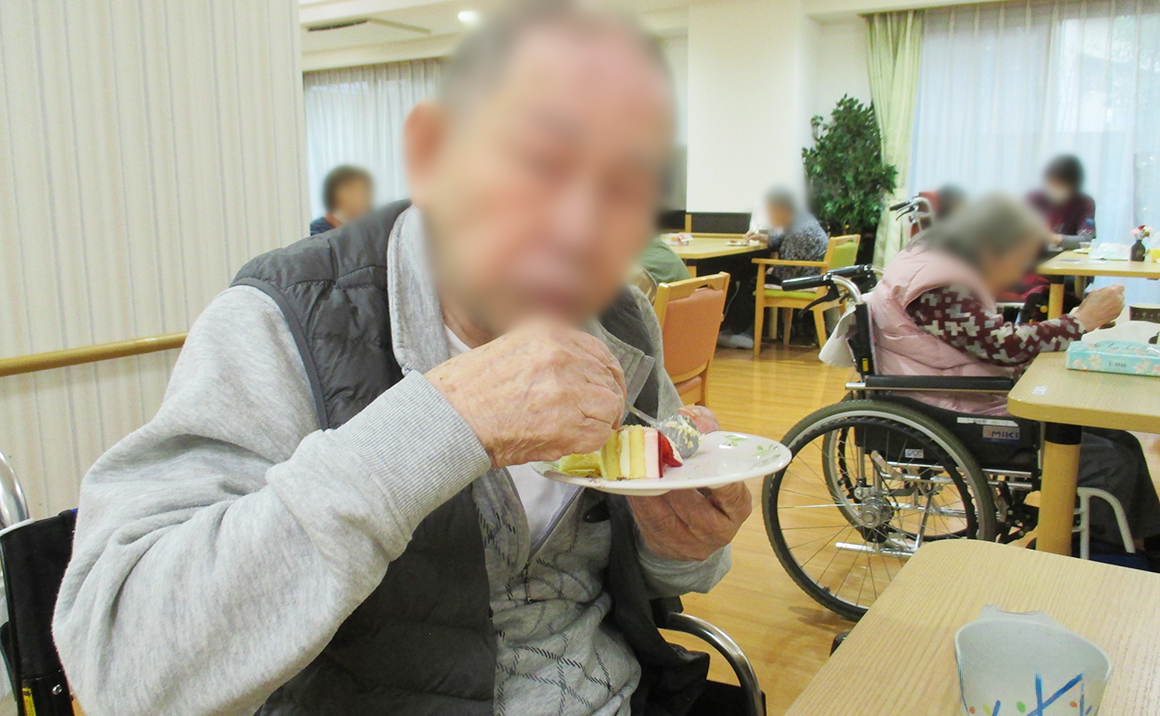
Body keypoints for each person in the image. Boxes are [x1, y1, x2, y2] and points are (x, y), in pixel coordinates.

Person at [53, 6, 752, 716]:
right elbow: (121, 667)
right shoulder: (280, 322)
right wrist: (443, 424)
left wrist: (681, 544)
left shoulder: (621, 322)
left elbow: (661, 574)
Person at [871, 194, 1160, 560]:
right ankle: (1100, 555)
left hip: (963, 390)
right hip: (955, 405)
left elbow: (985, 339)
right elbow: (1002, 346)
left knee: (1121, 439)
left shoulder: (935, 261)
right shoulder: (938, 284)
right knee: (1107, 461)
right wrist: (1081, 320)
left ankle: (1145, 544)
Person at [718, 188, 829, 349]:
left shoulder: (798, 231)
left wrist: (768, 270)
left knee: (752, 283)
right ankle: (740, 332)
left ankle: (740, 333)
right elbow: (783, 240)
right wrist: (764, 238)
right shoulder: (803, 219)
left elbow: (786, 272)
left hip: (806, 279)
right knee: (757, 277)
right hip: (817, 275)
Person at [1027, 154, 1096, 250]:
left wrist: (1055, 239)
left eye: (1059, 184)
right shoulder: (1035, 199)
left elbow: (1086, 240)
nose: (1054, 187)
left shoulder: (1084, 203)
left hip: (1066, 255)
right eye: (1051, 183)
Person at [309, 165, 374, 235]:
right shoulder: (316, 232)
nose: (356, 199)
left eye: (362, 192)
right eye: (350, 191)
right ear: (332, 193)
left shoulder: (371, 230)